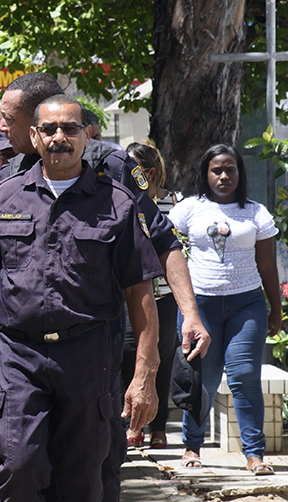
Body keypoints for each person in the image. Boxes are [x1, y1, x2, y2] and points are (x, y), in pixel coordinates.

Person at [0, 71, 210, 502]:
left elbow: (162, 239)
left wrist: (187, 313)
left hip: (100, 341)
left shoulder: (113, 168)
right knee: (27, 460)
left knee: (98, 460)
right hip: (29, 347)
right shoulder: (15, 178)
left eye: (9, 118)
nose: (3, 126)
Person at [0, 95, 162, 502]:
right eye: (47, 129)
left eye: (69, 129)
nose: (57, 139)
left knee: (81, 476)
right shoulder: (5, 197)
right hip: (21, 356)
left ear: (88, 136)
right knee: (20, 465)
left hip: (88, 356)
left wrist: (144, 375)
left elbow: (141, 297)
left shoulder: (117, 204)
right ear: (32, 137)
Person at [169, 144, 282, 474]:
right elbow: (164, 248)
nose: (223, 176)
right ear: (205, 174)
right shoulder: (189, 209)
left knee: (245, 375)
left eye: (230, 169)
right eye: (216, 170)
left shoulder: (256, 212)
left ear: (239, 173)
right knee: (202, 377)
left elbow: (268, 265)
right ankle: (192, 447)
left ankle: (254, 455)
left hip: (246, 305)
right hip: (199, 306)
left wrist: (275, 309)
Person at [123, 142, 179, 450]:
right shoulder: (118, 201)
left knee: (163, 357)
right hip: (132, 294)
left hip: (165, 296)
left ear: (150, 173)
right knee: (130, 356)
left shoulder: (173, 203)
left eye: (132, 170)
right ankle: (131, 423)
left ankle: (159, 427)